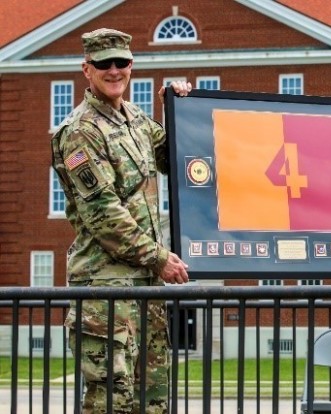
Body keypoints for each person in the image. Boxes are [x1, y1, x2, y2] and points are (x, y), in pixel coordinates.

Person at [51, 28, 191, 414]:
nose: (114, 70)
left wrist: (179, 109)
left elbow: (175, 160)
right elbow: (103, 213)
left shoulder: (137, 120)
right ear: (87, 69)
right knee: (111, 400)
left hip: (145, 285)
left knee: (154, 399)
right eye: (103, 64)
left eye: (121, 62)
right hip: (104, 288)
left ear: (131, 65)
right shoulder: (80, 131)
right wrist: (158, 256)